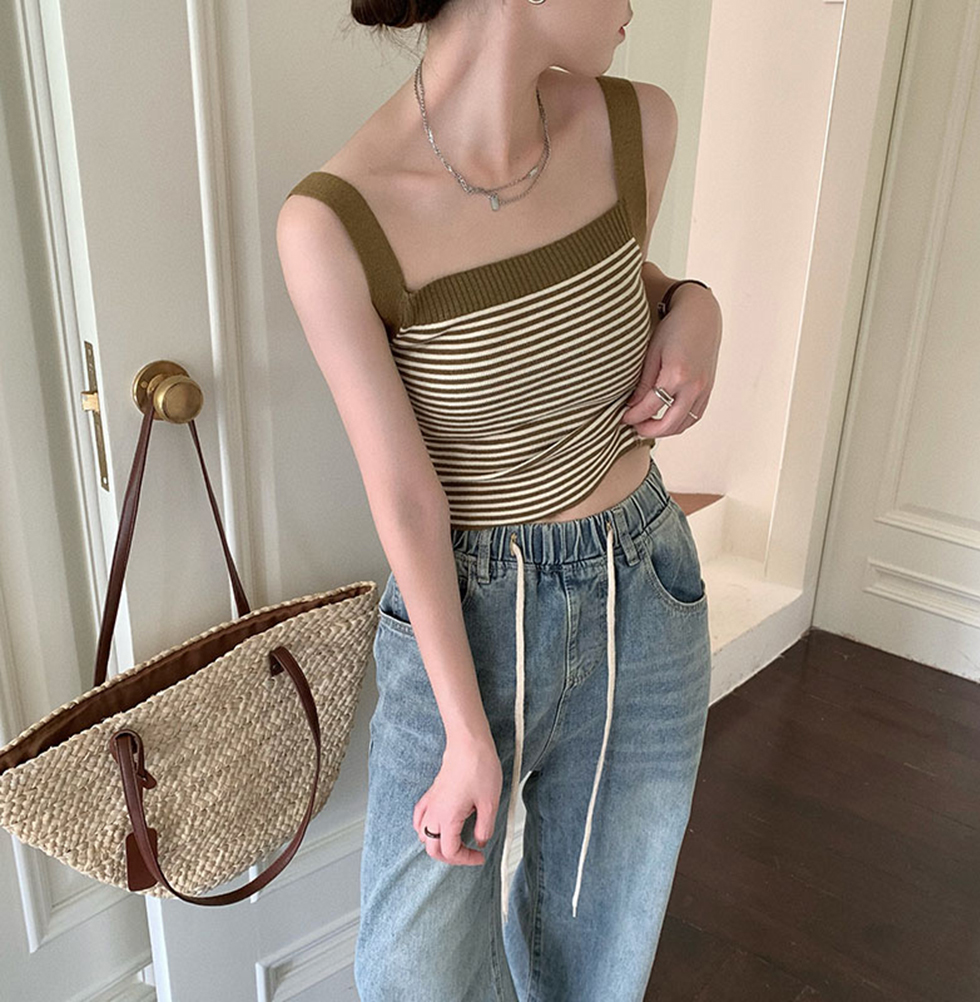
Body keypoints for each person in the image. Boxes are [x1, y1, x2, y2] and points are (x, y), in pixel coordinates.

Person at [276, 0, 723, 997]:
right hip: (463, 615)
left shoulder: (637, 125)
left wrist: (695, 303)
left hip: (643, 592)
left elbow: (605, 289)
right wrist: (464, 731)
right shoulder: (334, 222)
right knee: (414, 977)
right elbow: (405, 493)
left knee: (597, 961)